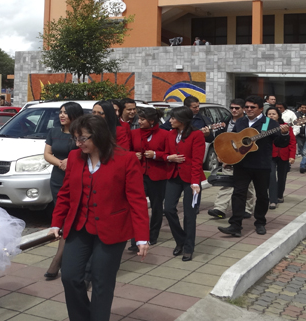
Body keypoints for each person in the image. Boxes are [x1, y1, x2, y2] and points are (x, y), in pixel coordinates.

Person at [48, 114, 149, 321]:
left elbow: (137, 201)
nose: (78, 143)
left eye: (83, 138)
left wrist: (141, 237)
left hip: (112, 229)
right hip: (79, 226)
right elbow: (66, 193)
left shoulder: (125, 159)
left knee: (102, 281)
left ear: (100, 135)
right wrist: (56, 222)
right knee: (70, 276)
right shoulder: (75, 158)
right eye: (76, 138)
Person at [218, 96, 289, 237]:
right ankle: (235, 225)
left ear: (261, 109)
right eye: (247, 107)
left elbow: (280, 143)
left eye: (252, 107)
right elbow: (235, 140)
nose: (248, 109)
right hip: (242, 164)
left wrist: (285, 133)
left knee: (262, 195)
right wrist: (229, 155)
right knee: (238, 194)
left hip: (261, 165)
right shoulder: (241, 121)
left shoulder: (269, 123)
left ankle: (260, 222)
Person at [43, 102, 85, 281]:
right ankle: (63, 257)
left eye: (66, 113)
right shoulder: (53, 132)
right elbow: (47, 154)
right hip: (57, 177)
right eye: (60, 112)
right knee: (62, 215)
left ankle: (58, 260)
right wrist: (60, 163)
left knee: (71, 218)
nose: (62, 116)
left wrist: (70, 161)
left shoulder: (80, 134)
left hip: (76, 177)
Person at [162, 107, 206, 262]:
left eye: (173, 118)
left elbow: (197, 160)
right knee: (168, 209)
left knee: (189, 214)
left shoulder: (196, 135)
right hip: (173, 175)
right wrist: (169, 158)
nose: (170, 121)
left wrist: (195, 182)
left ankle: (188, 248)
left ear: (182, 120)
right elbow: (165, 153)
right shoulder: (170, 134)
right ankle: (181, 239)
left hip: (190, 178)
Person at [129, 107, 170, 249]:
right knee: (137, 206)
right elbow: (125, 151)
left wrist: (156, 155)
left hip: (158, 175)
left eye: (142, 119)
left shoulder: (164, 134)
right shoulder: (133, 134)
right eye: (138, 119)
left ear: (151, 121)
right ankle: (136, 239)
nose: (139, 122)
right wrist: (133, 155)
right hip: (138, 174)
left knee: (157, 206)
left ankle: (153, 235)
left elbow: (168, 154)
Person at [208, 99, 256, 220]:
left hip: (245, 158)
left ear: (243, 109)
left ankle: (247, 209)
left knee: (248, 187)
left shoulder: (248, 123)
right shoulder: (224, 122)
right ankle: (219, 208)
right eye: (232, 108)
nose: (234, 110)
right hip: (228, 158)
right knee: (227, 183)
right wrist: (220, 154)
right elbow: (218, 140)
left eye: (237, 108)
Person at [266, 107, 296, 209]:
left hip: (284, 155)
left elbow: (292, 142)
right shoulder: (264, 125)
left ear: (278, 115)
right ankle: (272, 200)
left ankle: (279, 195)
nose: (271, 116)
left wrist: (292, 156)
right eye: (269, 114)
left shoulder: (286, 126)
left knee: (282, 176)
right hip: (269, 155)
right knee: (271, 177)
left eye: (273, 114)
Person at [296, 102, 306, 172]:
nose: (304, 109)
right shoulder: (296, 114)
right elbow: (295, 123)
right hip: (299, 135)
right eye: (302, 107)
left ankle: (302, 166)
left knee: (305, 151)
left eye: (305, 108)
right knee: (303, 151)